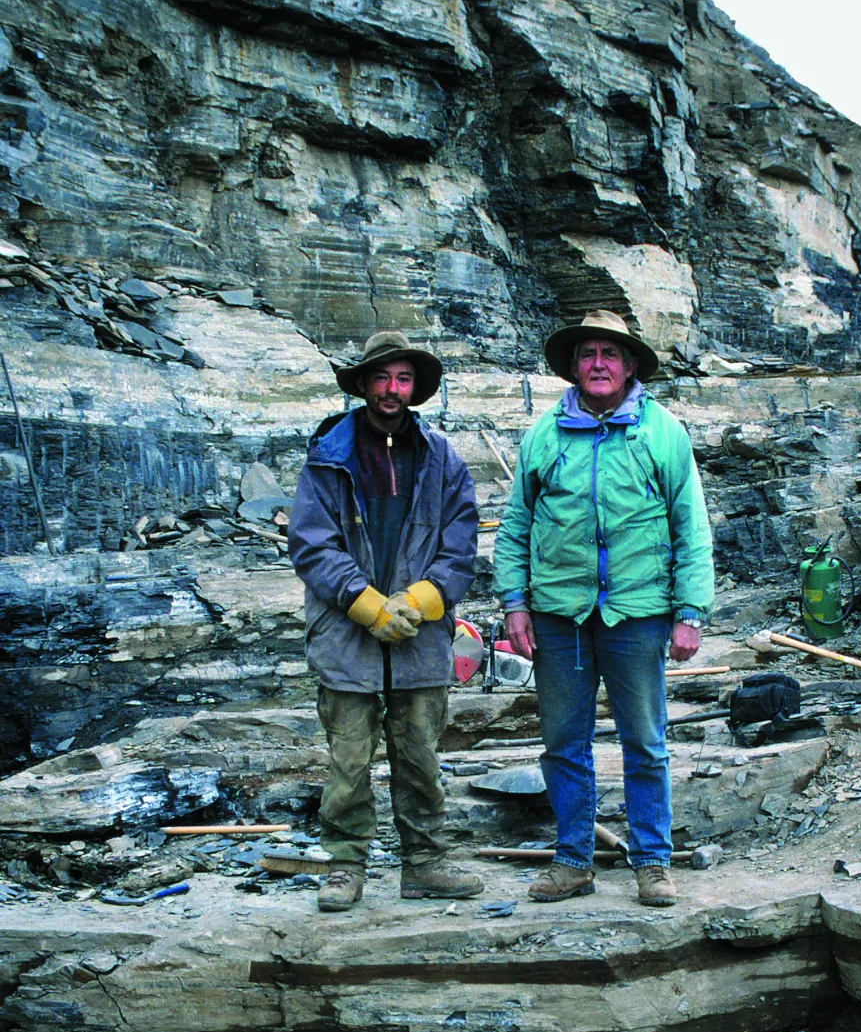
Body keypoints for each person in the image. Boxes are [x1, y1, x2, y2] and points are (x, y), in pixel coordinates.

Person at [492, 309, 714, 906]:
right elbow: (515, 526)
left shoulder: (662, 432)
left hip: (638, 612)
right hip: (557, 615)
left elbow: (690, 525)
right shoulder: (544, 435)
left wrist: (690, 611)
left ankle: (652, 861)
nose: (598, 364)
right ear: (572, 366)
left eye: (610, 354)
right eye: (587, 354)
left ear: (630, 365)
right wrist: (515, 605)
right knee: (564, 742)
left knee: (646, 741)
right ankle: (573, 861)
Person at [288, 330, 484, 912]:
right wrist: (366, 604)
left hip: (421, 637)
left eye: (402, 379)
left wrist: (422, 601)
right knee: (349, 760)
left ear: (414, 387)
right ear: (364, 384)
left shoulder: (441, 457)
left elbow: (461, 542)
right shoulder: (329, 455)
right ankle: (345, 863)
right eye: (382, 378)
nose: (392, 389)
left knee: (420, 754)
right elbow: (312, 543)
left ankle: (424, 862)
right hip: (347, 634)